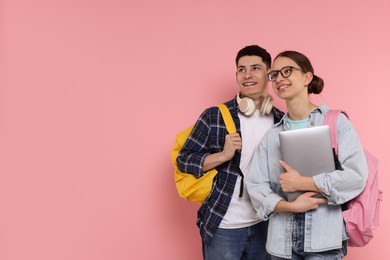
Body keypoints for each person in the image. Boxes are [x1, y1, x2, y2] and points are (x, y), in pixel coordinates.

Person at [246, 50, 368, 259]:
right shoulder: (272, 135)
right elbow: (255, 184)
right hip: (281, 245)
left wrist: (304, 183)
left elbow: (356, 177)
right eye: (274, 74)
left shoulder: (336, 123)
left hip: (324, 243)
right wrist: (288, 206)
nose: (279, 79)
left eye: (287, 71)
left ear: (307, 77)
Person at [177, 45, 284, 260]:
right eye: (241, 69)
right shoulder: (215, 116)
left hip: (266, 224)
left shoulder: (280, 120)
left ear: (269, 74)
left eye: (255, 68)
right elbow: (184, 160)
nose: (248, 75)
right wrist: (223, 156)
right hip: (224, 224)